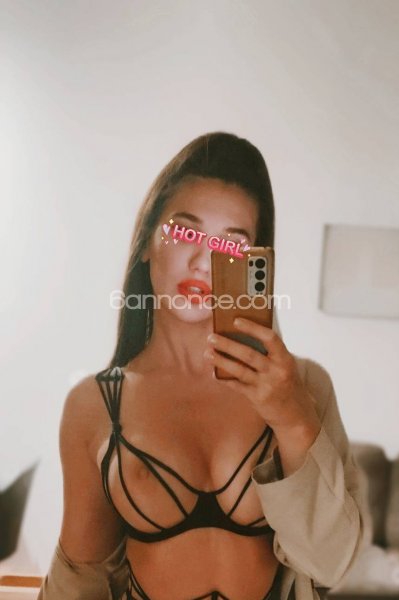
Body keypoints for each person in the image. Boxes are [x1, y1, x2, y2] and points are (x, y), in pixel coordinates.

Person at [37, 132, 372, 600]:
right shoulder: (95, 404)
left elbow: (332, 565)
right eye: (185, 231)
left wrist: (293, 418)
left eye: (232, 243)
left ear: (255, 264)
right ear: (147, 242)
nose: (203, 260)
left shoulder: (302, 385)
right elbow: (81, 576)